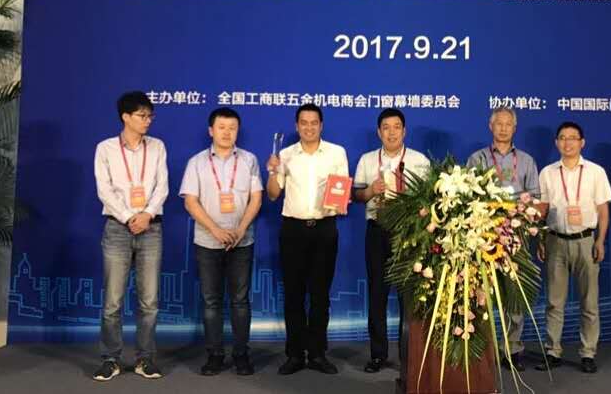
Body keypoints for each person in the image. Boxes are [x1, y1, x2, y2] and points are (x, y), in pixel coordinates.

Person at [266, 104, 349, 375]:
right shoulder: (285, 155)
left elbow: (342, 191)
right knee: (293, 295)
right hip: (293, 230)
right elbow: (273, 195)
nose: (309, 127)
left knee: (320, 295)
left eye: (314, 123)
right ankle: (294, 354)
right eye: (304, 123)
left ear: (321, 125)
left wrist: (341, 201)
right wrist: (272, 171)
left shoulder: (336, 153)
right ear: (297, 125)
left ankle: (317, 353)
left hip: (324, 229)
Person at [179, 108, 263, 376]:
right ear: (211, 131)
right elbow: (190, 201)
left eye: (232, 128)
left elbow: (256, 198)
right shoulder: (196, 162)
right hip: (208, 241)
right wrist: (215, 229)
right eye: (222, 127)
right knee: (211, 301)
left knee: (240, 301)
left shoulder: (249, 160)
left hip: (242, 241)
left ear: (238, 131)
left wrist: (240, 229)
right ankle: (214, 355)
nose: (227, 132)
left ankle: (241, 354)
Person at [92, 91, 168, 381]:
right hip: (117, 228)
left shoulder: (157, 146)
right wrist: (128, 217)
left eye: (150, 116)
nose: (148, 120)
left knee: (149, 301)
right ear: (125, 117)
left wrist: (146, 214)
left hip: (151, 227)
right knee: (113, 301)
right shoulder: (106, 148)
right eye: (142, 115)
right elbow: (104, 189)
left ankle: (145, 359)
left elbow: (162, 186)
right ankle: (110, 359)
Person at [353, 108, 430, 373]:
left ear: (404, 131)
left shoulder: (419, 160)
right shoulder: (367, 160)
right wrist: (370, 191)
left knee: (409, 297)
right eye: (386, 127)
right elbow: (356, 196)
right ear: (379, 132)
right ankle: (378, 355)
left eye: (397, 127)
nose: (392, 132)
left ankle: (409, 356)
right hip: (377, 231)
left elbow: (429, 198)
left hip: (408, 233)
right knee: (377, 294)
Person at [535, 121, 611, 374]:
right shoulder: (547, 173)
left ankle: (588, 353)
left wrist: (600, 240)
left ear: (582, 142)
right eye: (562, 137)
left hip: (585, 241)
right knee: (554, 302)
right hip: (555, 241)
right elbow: (542, 210)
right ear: (556, 142)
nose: (567, 142)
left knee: (589, 302)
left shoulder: (595, 172)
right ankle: (553, 351)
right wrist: (540, 239)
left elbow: (603, 211)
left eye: (572, 138)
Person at [466, 106, 540, 371]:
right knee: (480, 291)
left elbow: (535, 198)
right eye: (499, 123)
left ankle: (512, 348)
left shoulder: (527, 161)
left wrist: (519, 211)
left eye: (508, 124)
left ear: (514, 128)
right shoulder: (477, 158)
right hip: (484, 234)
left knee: (514, 293)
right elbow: (468, 195)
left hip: (516, 235)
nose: (503, 128)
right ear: (491, 126)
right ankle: (480, 347)